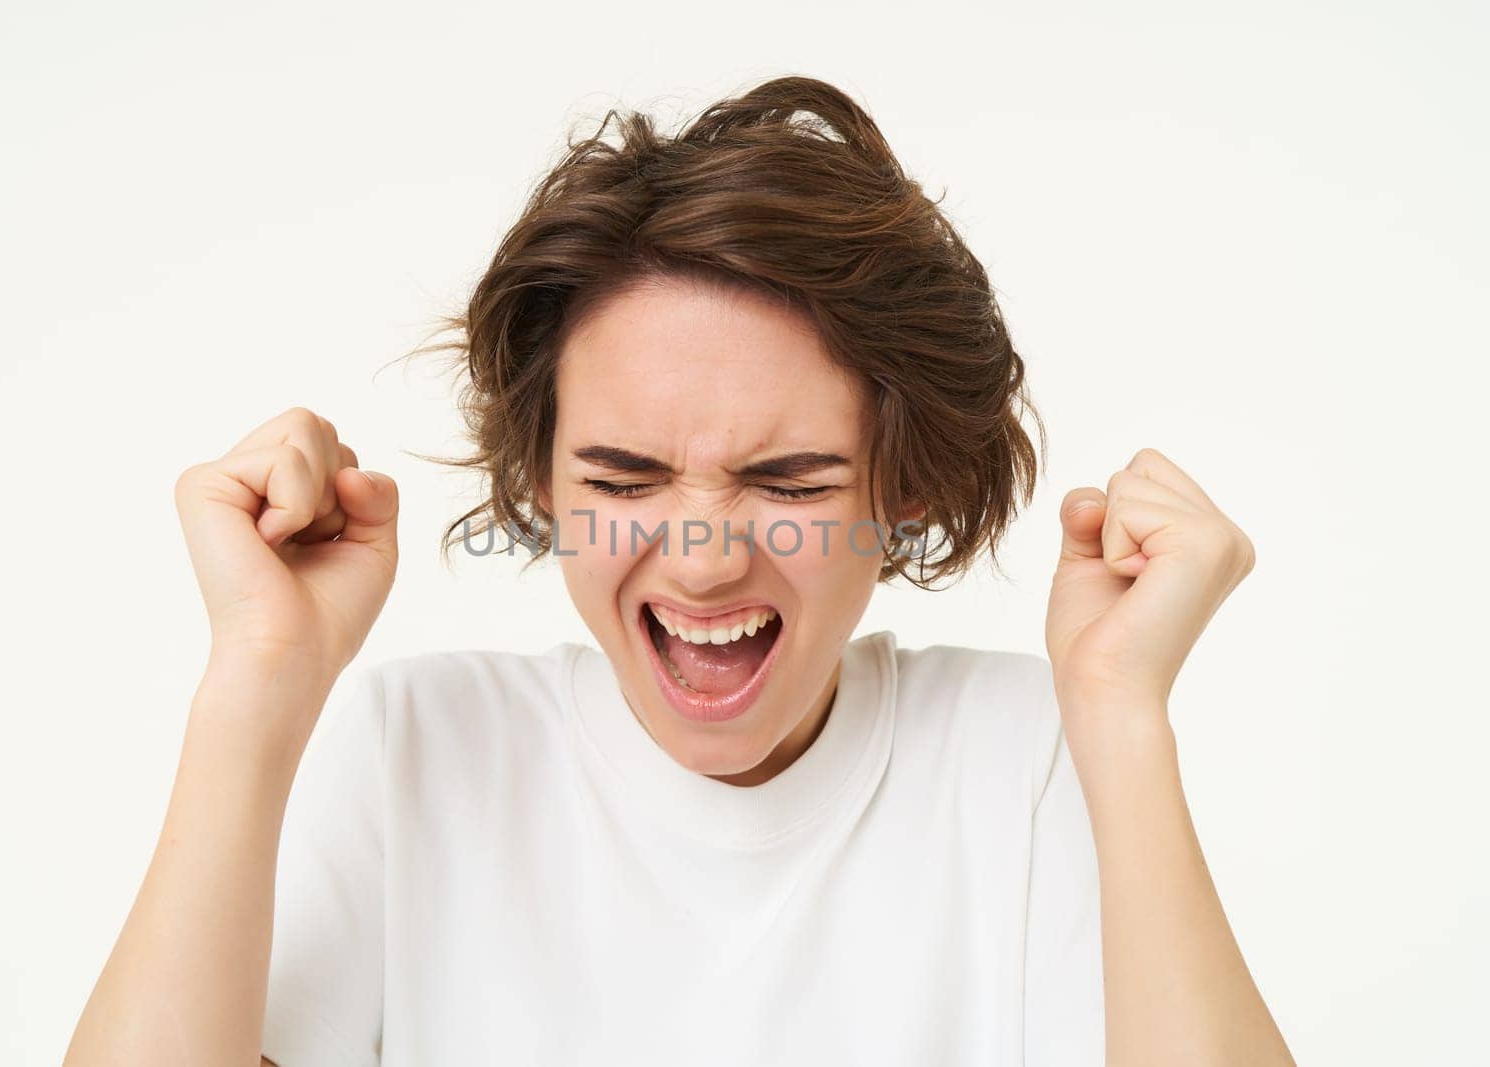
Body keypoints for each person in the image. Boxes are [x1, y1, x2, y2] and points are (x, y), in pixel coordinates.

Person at [66, 75, 1295, 1066]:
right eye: (622, 478)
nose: (702, 556)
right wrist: (255, 685)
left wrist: (1122, 714)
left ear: (901, 485)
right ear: (539, 483)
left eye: (791, 481)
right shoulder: (417, 746)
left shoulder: (1029, 754)